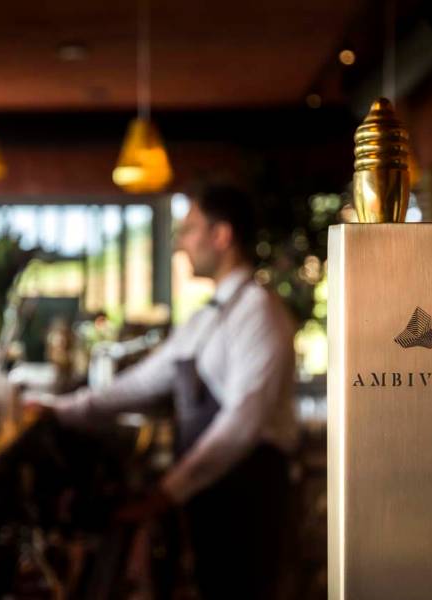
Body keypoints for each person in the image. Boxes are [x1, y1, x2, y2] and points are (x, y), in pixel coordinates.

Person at [49, 183, 298, 599]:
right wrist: (61, 408)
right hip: (212, 491)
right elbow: (143, 380)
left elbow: (242, 422)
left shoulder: (259, 311)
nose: (181, 243)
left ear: (222, 235)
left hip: (249, 491)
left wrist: (167, 492)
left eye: (190, 229)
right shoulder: (206, 317)